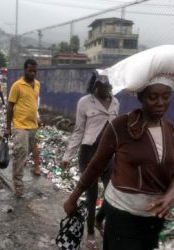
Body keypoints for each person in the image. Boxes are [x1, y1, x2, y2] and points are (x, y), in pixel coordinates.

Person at [63, 76, 174, 250]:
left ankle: (99, 219)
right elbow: (96, 165)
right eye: (153, 97)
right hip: (123, 217)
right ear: (141, 97)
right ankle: (94, 226)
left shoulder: (170, 129)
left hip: (154, 219)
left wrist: (170, 195)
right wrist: (73, 198)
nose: (161, 102)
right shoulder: (121, 126)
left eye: (166, 96)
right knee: (98, 196)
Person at [60, 71, 120, 249]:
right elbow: (78, 130)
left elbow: (116, 131)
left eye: (109, 85)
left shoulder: (116, 102)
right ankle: (91, 233)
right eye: (103, 85)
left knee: (113, 193)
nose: (107, 88)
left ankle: (99, 220)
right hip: (89, 153)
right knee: (91, 196)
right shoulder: (84, 102)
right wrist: (67, 156)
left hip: (109, 155)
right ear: (95, 85)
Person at [4, 59, 40, 197]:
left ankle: (18, 174)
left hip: (33, 126)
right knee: (21, 153)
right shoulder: (17, 85)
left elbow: (33, 103)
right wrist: (8, 128)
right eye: (30, 70)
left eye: (35, 71)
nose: (33, 73)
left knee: (25, 154)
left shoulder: (37, 84)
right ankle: (18, 185)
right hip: (20, 126)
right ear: (24, 70)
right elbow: (10, 107)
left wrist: (37, 117)